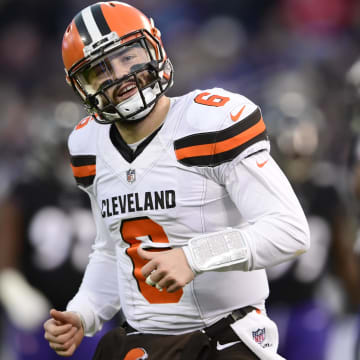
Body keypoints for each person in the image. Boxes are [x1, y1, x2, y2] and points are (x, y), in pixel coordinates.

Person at [43, 2, 310, 359]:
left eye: (127, 56)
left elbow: (290, 230)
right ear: (82, 87)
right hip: (142, 343)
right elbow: (113, 250)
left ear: (153, 48)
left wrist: (194, 256)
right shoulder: (88, 144)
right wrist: (84, 311)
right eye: (99, 71)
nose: (119, 75)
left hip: (226, 337)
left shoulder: (209, 121)